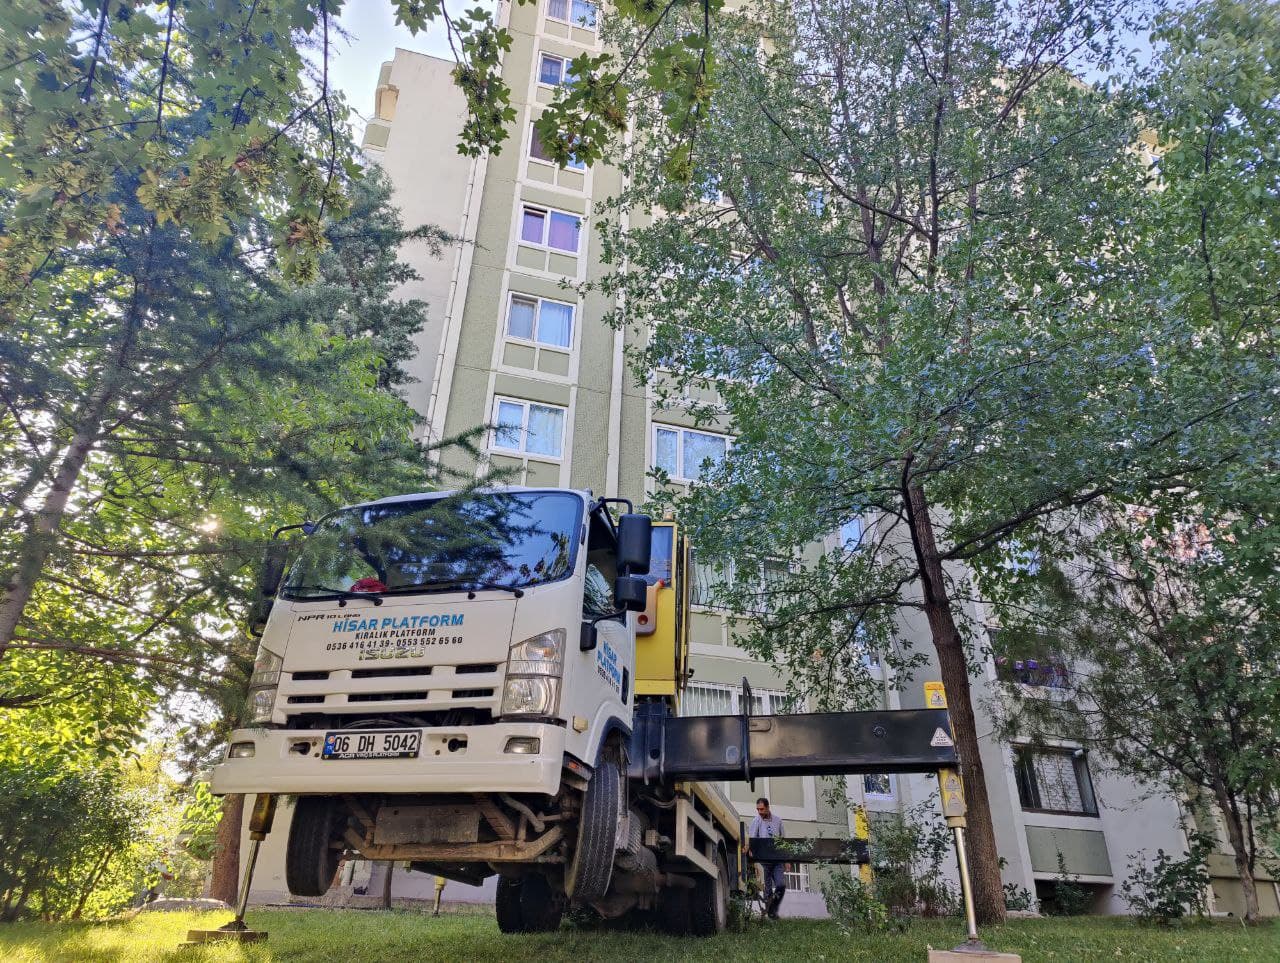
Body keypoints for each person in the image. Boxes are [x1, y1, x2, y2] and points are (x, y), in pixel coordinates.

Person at [748, 797, 789, 918]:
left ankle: (773, 908)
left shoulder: (778, 821)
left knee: (781, 885)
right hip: (763, 862)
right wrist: (752, 854)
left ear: (767, 807)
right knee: (767, 891)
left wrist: (786, 860)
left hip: (777, 861)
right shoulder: (756, 821)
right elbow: (752, 840)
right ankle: (770, 914)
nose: (759, 812)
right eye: (758, 809)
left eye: (762, 809)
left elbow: (783, 842)